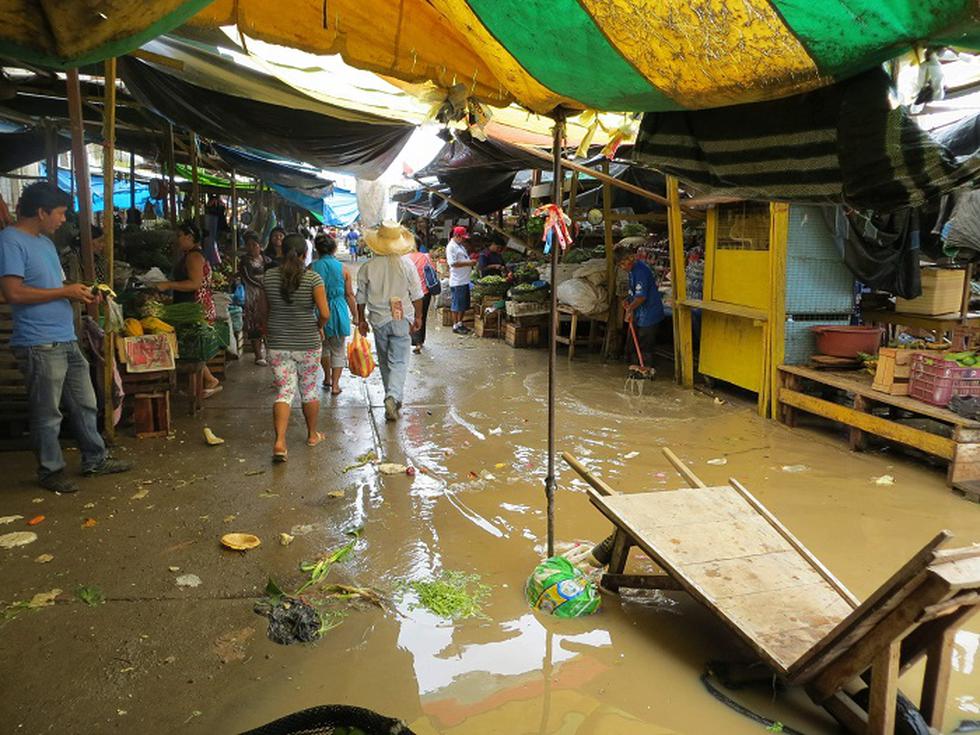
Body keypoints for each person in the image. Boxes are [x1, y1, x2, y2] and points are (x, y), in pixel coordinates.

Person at [0, 182, 132, 493]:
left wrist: (80, 292)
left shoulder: (44, 243)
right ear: (41, 212)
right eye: (59, 213)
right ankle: (50, 471)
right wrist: (65, 291)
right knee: (47, 412)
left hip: (65, 337)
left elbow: (55, 284)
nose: (63, 220)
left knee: (86, 403)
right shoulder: (10, 241)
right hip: (38, 342)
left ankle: (94, 459)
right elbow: (12, 293)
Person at [262, 234, 330, 461]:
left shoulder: (269, 277)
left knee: (285, 391)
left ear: (282, 251)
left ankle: (280, 443)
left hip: (278, 343)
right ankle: (312, 435)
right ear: (304, 255)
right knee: (309, 389)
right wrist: (317, 326)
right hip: (308, 343)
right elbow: (324, 314)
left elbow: (264, 311)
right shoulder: (313, 279)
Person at [356, 221, 423, 422]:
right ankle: (392, 396)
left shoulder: (367, 267)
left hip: (378, 320)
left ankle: (391, 396)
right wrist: (418, 317)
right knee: (400, 361)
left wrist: (361, 320)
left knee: (385, 361)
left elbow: (360, 298)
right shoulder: (407, 264)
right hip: (402, 318)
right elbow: (417, 294)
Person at [154, 221, 221, 396]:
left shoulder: (193, 257)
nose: (177, 240)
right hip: (196, 305)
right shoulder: (191, 255)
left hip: (196, 307)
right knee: (192, 347)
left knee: (192, 348)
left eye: (179, 236)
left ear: (189, 237)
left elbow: (194, 283)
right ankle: (205, 382)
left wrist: (168, 284)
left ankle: (209, 380)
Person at [310, 233, 357, 395]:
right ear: (334, 249)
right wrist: (356, 315)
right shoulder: (343, 268)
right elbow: (349, 295)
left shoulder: (311, 268)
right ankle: (336, 385)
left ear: (317, 249)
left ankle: (327, 378)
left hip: (317, 310)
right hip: (338, 311)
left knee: (323, 348)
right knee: (338, 349)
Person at [620, 252, 665, 368]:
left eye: (622, 264)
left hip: (650, 313)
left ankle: (645, 369)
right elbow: (634, 294)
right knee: (632, 345)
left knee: (644, 346)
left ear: (628, 260)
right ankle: (632, 367)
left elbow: (641, 297)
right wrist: (628, 301)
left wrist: (630, 309)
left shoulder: (641, 272)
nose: (622, 268)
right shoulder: (631, 272)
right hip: (639, 312)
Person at [238, 230, 272, 366]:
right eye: (249, 245)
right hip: (252, 296)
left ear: (260, 245)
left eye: (254, 245)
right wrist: (262, 285)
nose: (252, 248)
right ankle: (258, 354)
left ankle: (270, 352)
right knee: (254, 324)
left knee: (267, 323)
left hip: (267, 296)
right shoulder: (244, 262)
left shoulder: (267, 259)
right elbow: (247, 277)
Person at [406, 246, 435, 353]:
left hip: (410, 293)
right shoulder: (426, 257)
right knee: (422, 315)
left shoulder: (405, 258)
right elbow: (433, 270)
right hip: (425, 292)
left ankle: (414, 341)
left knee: (412, 316)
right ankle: (420, 342)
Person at [446, 225, 475, 334]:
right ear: (457, 236)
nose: (464, 239)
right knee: (457, 304)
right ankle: (455, 325)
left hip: (465, 280)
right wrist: (469, 263)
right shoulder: (451, 247)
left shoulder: (460, 246)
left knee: (463, 304)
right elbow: (453, 263)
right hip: (457, 281)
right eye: (462, 237)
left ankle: (460, 323)